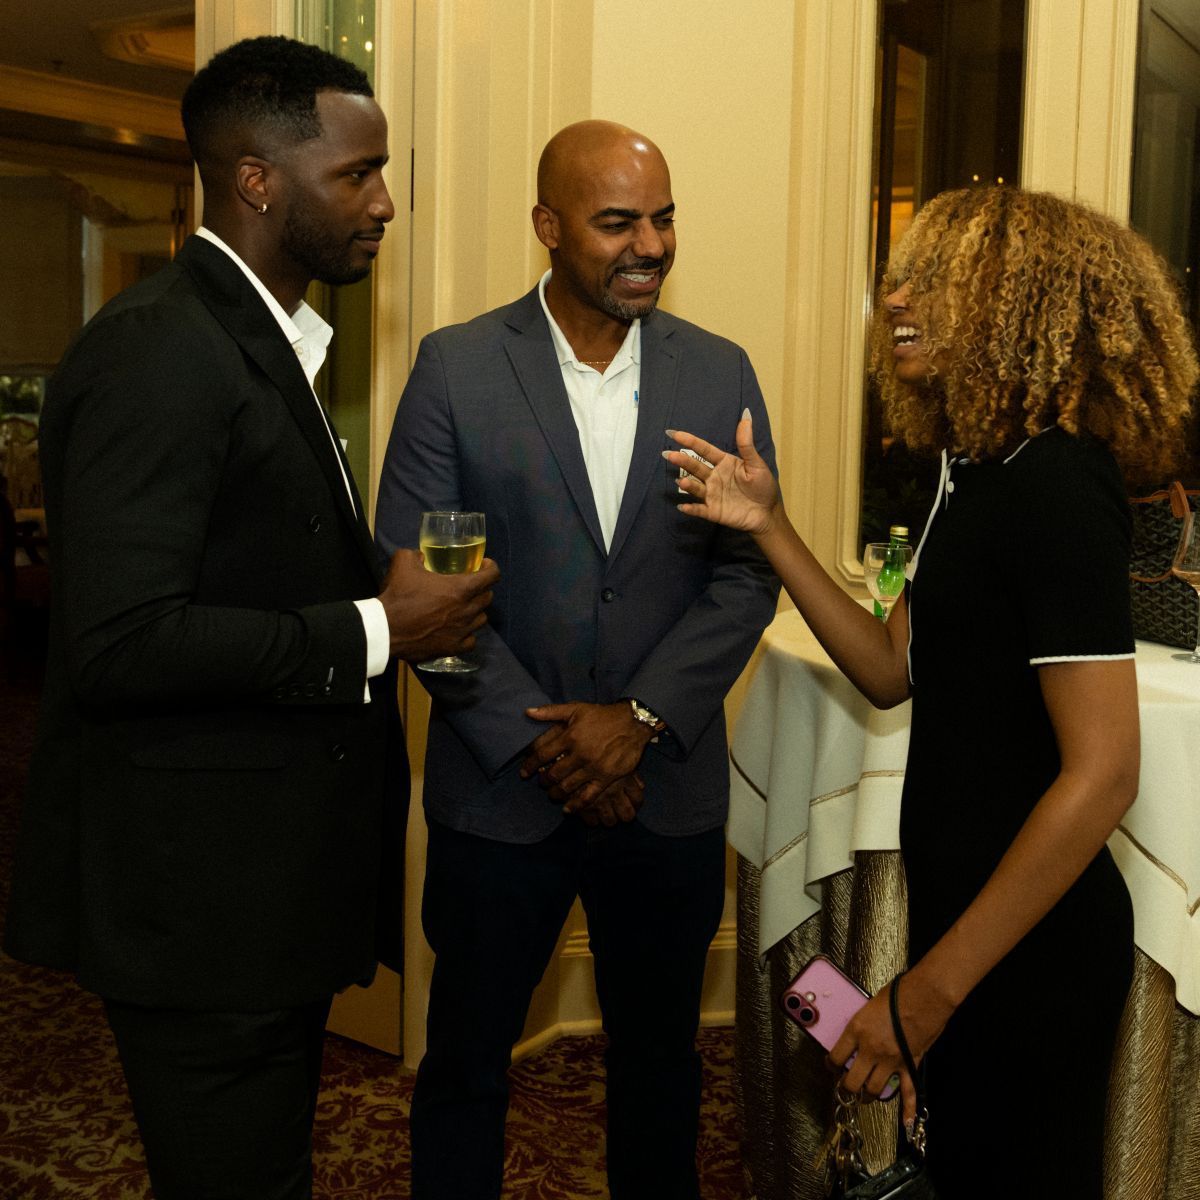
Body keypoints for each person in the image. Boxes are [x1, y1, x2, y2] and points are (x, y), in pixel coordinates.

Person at [3, 36, 497, 1200]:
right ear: (258, 181)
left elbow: (236, 570)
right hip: (200, 911)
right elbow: (123, 642)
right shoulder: (159, 350)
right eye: (357, 175)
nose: (385, 204)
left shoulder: (262, 339)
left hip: (259, 900)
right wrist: (381, 628)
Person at [665, 186, 1198, 1198]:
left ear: (1019, 302)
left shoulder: (1060, 485)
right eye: (899, 273)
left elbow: (1104, 774)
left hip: (1034, 954)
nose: (895, 294)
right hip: (971, 924)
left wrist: (926, 997)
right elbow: (887, 666)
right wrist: (767, 526)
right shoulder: (975, 467)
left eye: (936, 277)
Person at [374, 119, 780, 1199]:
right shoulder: (458, 369)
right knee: (464, 1068)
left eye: (664, 216)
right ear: (548, 227)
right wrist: (543, 739)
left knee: (662, 1069)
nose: (650, 243)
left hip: (667, 796)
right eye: (616, 222)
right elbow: (420, 587)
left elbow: (748, 575)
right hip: (502, 800)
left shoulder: (720, 370)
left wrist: (635, 721)